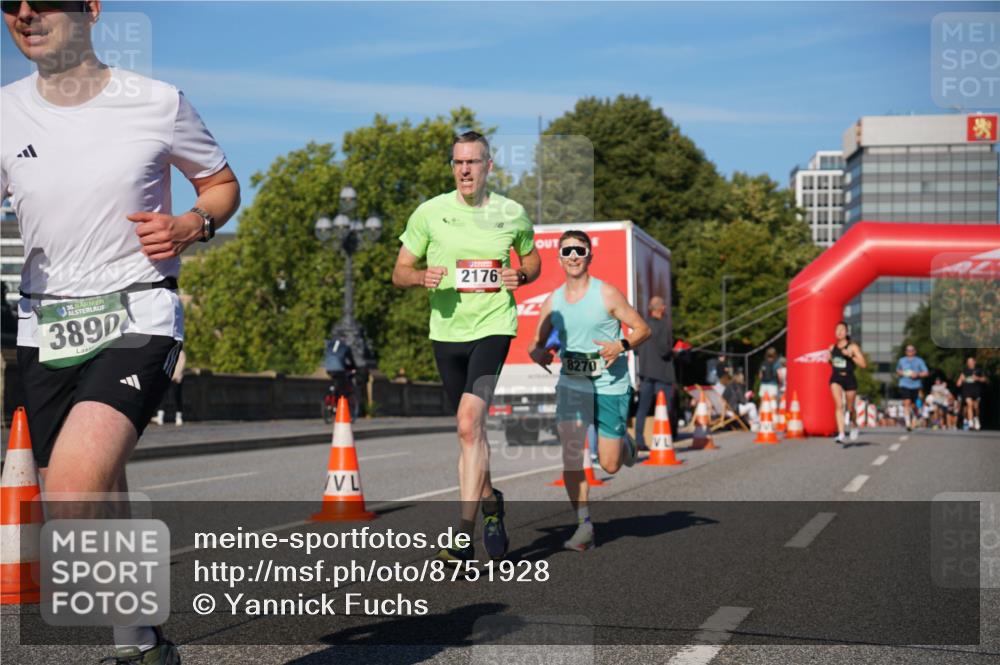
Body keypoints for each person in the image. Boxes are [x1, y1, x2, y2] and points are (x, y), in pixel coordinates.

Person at [2, 2, 239, 663]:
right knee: (92, 491)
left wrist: (193, 223)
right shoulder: (4, 111)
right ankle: (141, 643)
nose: (23, 13)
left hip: (139, 311)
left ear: (91, 9)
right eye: (8, 3)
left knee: (75, 488)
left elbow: (220, 183)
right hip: (47, 323)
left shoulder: (156, 102)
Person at [391, 131, 540, 563]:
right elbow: (400, 271)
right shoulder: (430, 213)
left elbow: (531, 260)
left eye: (473, 162)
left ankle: (462, 537)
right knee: (470, 432)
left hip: (494, 327)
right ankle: (491, 502)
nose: (465, 170)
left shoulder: (511, 213)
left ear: (489, 166)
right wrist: (421, 278)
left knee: (467, 423)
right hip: (446, 332)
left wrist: (522, 275)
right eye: (458, 163)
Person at [528, 230, 650, 551]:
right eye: (567, 251)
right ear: (559, 257)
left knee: (609, 465)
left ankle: (624, 442)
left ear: (588, 256)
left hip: (610, 384)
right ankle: (583, 526)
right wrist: (538, 354)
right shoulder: (552, 301)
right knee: (572, 456)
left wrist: (620, 344)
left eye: (579, 250)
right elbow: (535, 344)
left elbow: (642, 329)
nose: (573, 256)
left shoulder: (607, 294)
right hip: (571, 383)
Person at [635, 295, 676, 451]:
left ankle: (639, 440)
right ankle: (663, 440)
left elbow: (635, 349)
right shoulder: (662, 326)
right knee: (665, 408)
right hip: (662, 374)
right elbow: (664, 350)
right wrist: (675, 352)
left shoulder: (642, 326)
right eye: (664, 306)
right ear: (660, 309)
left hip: (645, 373)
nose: (665, 308)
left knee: (642, 409)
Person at [829, 321, 866, 443]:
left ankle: (854, 425)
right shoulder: (831, 348)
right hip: (836, 378)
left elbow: (863, 364)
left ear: (846, 332)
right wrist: (829, 359)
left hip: (849, 378)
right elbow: (831, 362)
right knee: (839, 405)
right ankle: (841, 433)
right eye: (837, 330)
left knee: (850, 408)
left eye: (842, 329)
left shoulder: (852, 347)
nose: (839, 332)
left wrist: (850, 356)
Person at [896, 344, 929, 431]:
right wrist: (903, 373)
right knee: (906, 402)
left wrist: (917, 374)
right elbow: (898, 371)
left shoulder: (919, 361)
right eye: (907, 350)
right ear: (905, 352)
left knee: (914, 405)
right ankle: (908, 423)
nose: (909, 352)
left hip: (916, 385)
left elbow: (926, 372)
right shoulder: (901, 360)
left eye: (911, 350)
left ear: (915, 351)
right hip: (904, 384)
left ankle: (915, 416)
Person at [152, 348, 186, 426]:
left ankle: (178, 418)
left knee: (177, 397)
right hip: (167, 377)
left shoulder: (181, 353)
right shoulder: (168, 351)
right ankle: (160, 417)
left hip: (176, 379)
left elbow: (181, 365)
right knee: (163, 397)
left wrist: (174, 376)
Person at [957, 356, 986, 431]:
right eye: (968, 362)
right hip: (967, 391)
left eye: (970, 361)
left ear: (974, 362)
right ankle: (970, 424)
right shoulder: (965, 371)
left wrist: (978, 378)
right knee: (969, 405)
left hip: (976, 391)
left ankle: (976, 419)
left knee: (976, 407)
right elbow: (959, 382)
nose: (969, 363)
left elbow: (985, 379)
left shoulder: (978, 370)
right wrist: (960, 381)